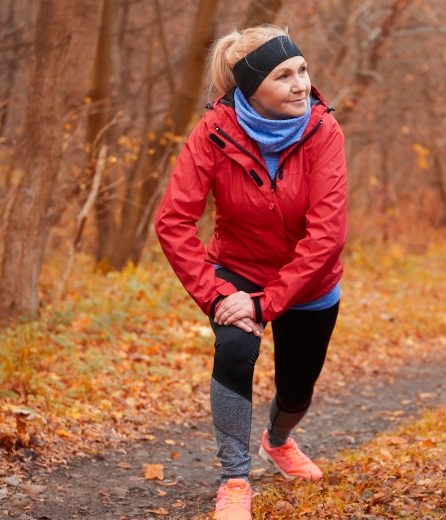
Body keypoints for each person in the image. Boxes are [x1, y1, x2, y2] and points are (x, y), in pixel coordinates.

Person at [154, 24, 347, 520]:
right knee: (235, 349)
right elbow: (173, 222)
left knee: (297, 388)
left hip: (310, 280)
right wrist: (218, 297)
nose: (301, 85)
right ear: (250, 89)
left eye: (302, 70)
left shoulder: (324, 132)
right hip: (237, 270)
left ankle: (278, 441)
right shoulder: (212, 134)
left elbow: (326, 236)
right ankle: (234, 479)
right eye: (284, 76)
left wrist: (268, 302)